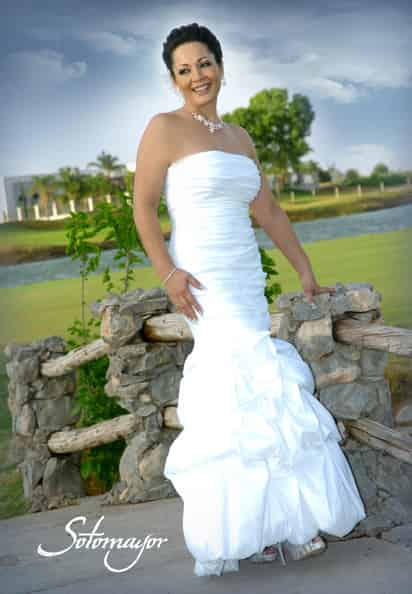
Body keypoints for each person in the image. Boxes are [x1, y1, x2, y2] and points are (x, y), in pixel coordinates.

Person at [133, 22, 366, 578]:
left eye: (204, 63)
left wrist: (306, 273)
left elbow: (270, 213)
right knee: (237, 380)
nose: (197, 76)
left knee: (258, 385)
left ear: (220, 64)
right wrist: (167, 273)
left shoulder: (240, 138)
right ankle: (245, 531)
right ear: (173, 79)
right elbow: (143, 208)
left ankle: (276, 526)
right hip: (202, 277)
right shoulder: (163, 129)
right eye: (184, 70)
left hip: (243, 275)